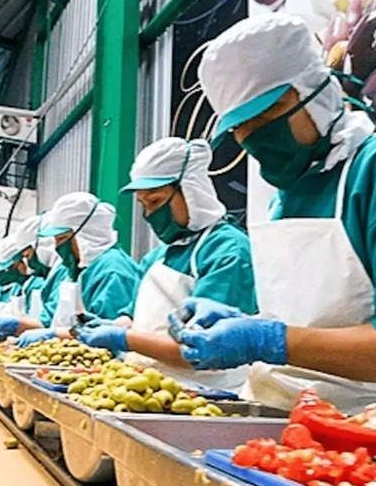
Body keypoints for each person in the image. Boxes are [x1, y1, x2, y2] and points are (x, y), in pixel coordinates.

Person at [170, 13, 376, 438]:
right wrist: (245, 321)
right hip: (278, 424)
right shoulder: (288, 195)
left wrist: (268, 339)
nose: (255, 137)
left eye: (268, 115)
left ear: (316, 92)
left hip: (371, 438)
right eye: (241, 128)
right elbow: (315, 317)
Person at [74, 138, 258, 393]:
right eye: (143, 205)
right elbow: (133, 317)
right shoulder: (159, 256)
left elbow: (204, 348)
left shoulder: (227, 250)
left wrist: (124, 340)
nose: (149, 214)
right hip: (151, 387)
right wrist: (112, 327)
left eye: (156, 202)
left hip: (205, 392)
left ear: (190, 190)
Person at [26, 193, 141, 340]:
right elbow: (51, 318)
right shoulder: (75, 270)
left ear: (87, 235)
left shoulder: (113, 271)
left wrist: (53, 335)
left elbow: (106, 338)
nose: (57, 246)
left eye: (62, 238)